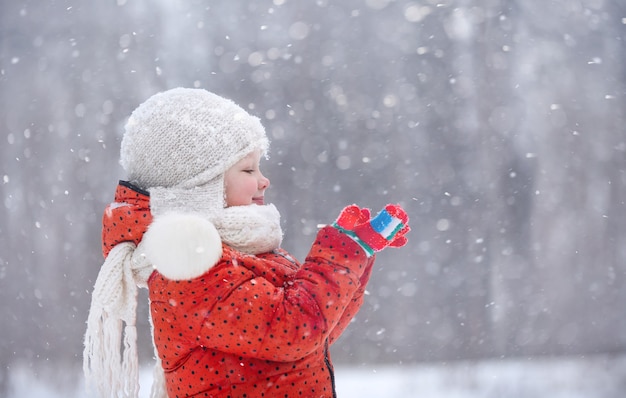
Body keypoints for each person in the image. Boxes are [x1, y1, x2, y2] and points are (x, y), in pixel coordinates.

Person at [83, 87, 410, 398]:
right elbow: (295, 329)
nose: (264, 180)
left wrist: (357, 253)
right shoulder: (192, 267)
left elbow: (317, 334)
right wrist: (338, 256)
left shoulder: (240, 253)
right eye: (248, 169)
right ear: (201, 186)